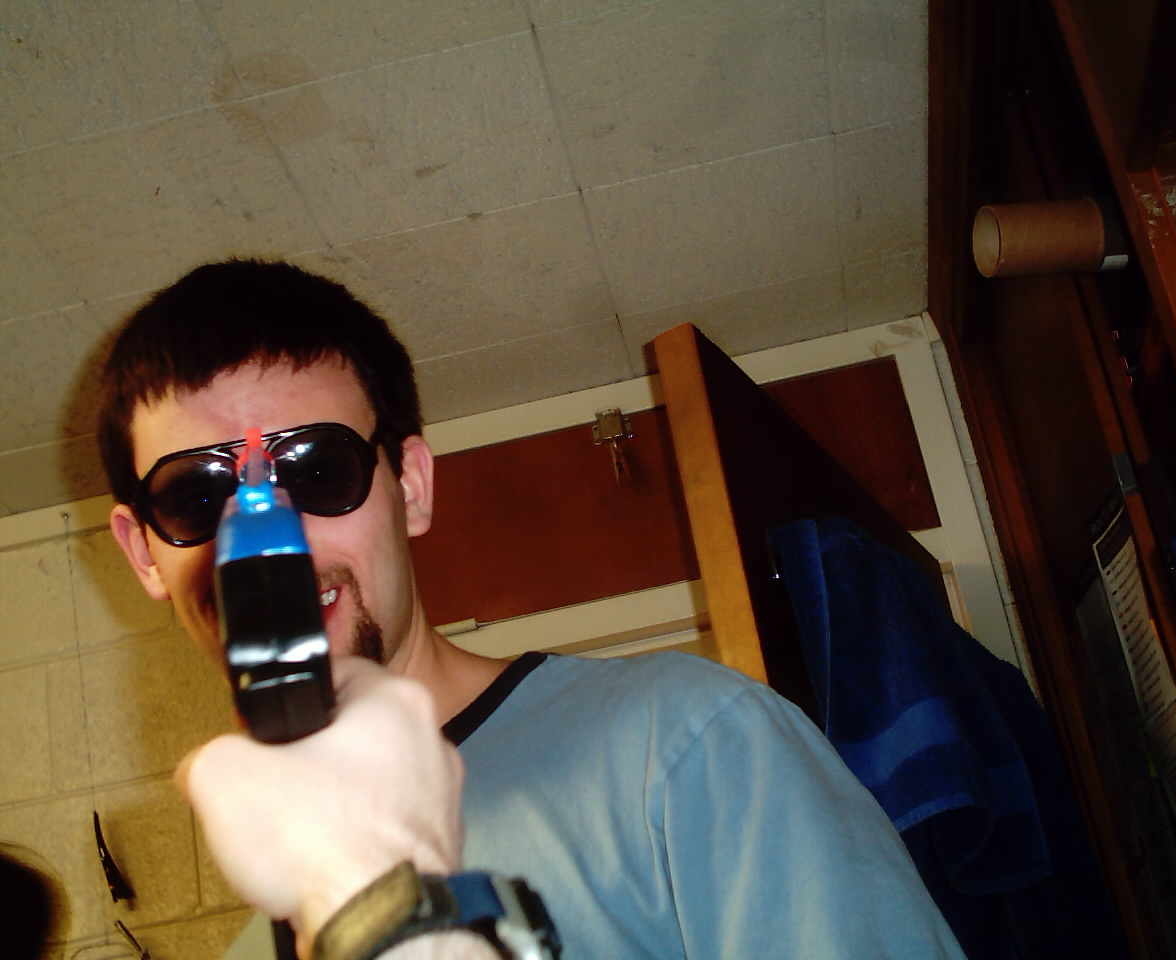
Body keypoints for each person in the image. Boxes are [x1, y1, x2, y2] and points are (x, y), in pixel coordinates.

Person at [100, 259, 967, 959]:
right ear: (144, 552)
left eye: (318, 469)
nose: (267, 538)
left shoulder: (686, 745)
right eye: (194, 495)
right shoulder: (264, 938)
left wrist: (385, 916)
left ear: (410, 487)